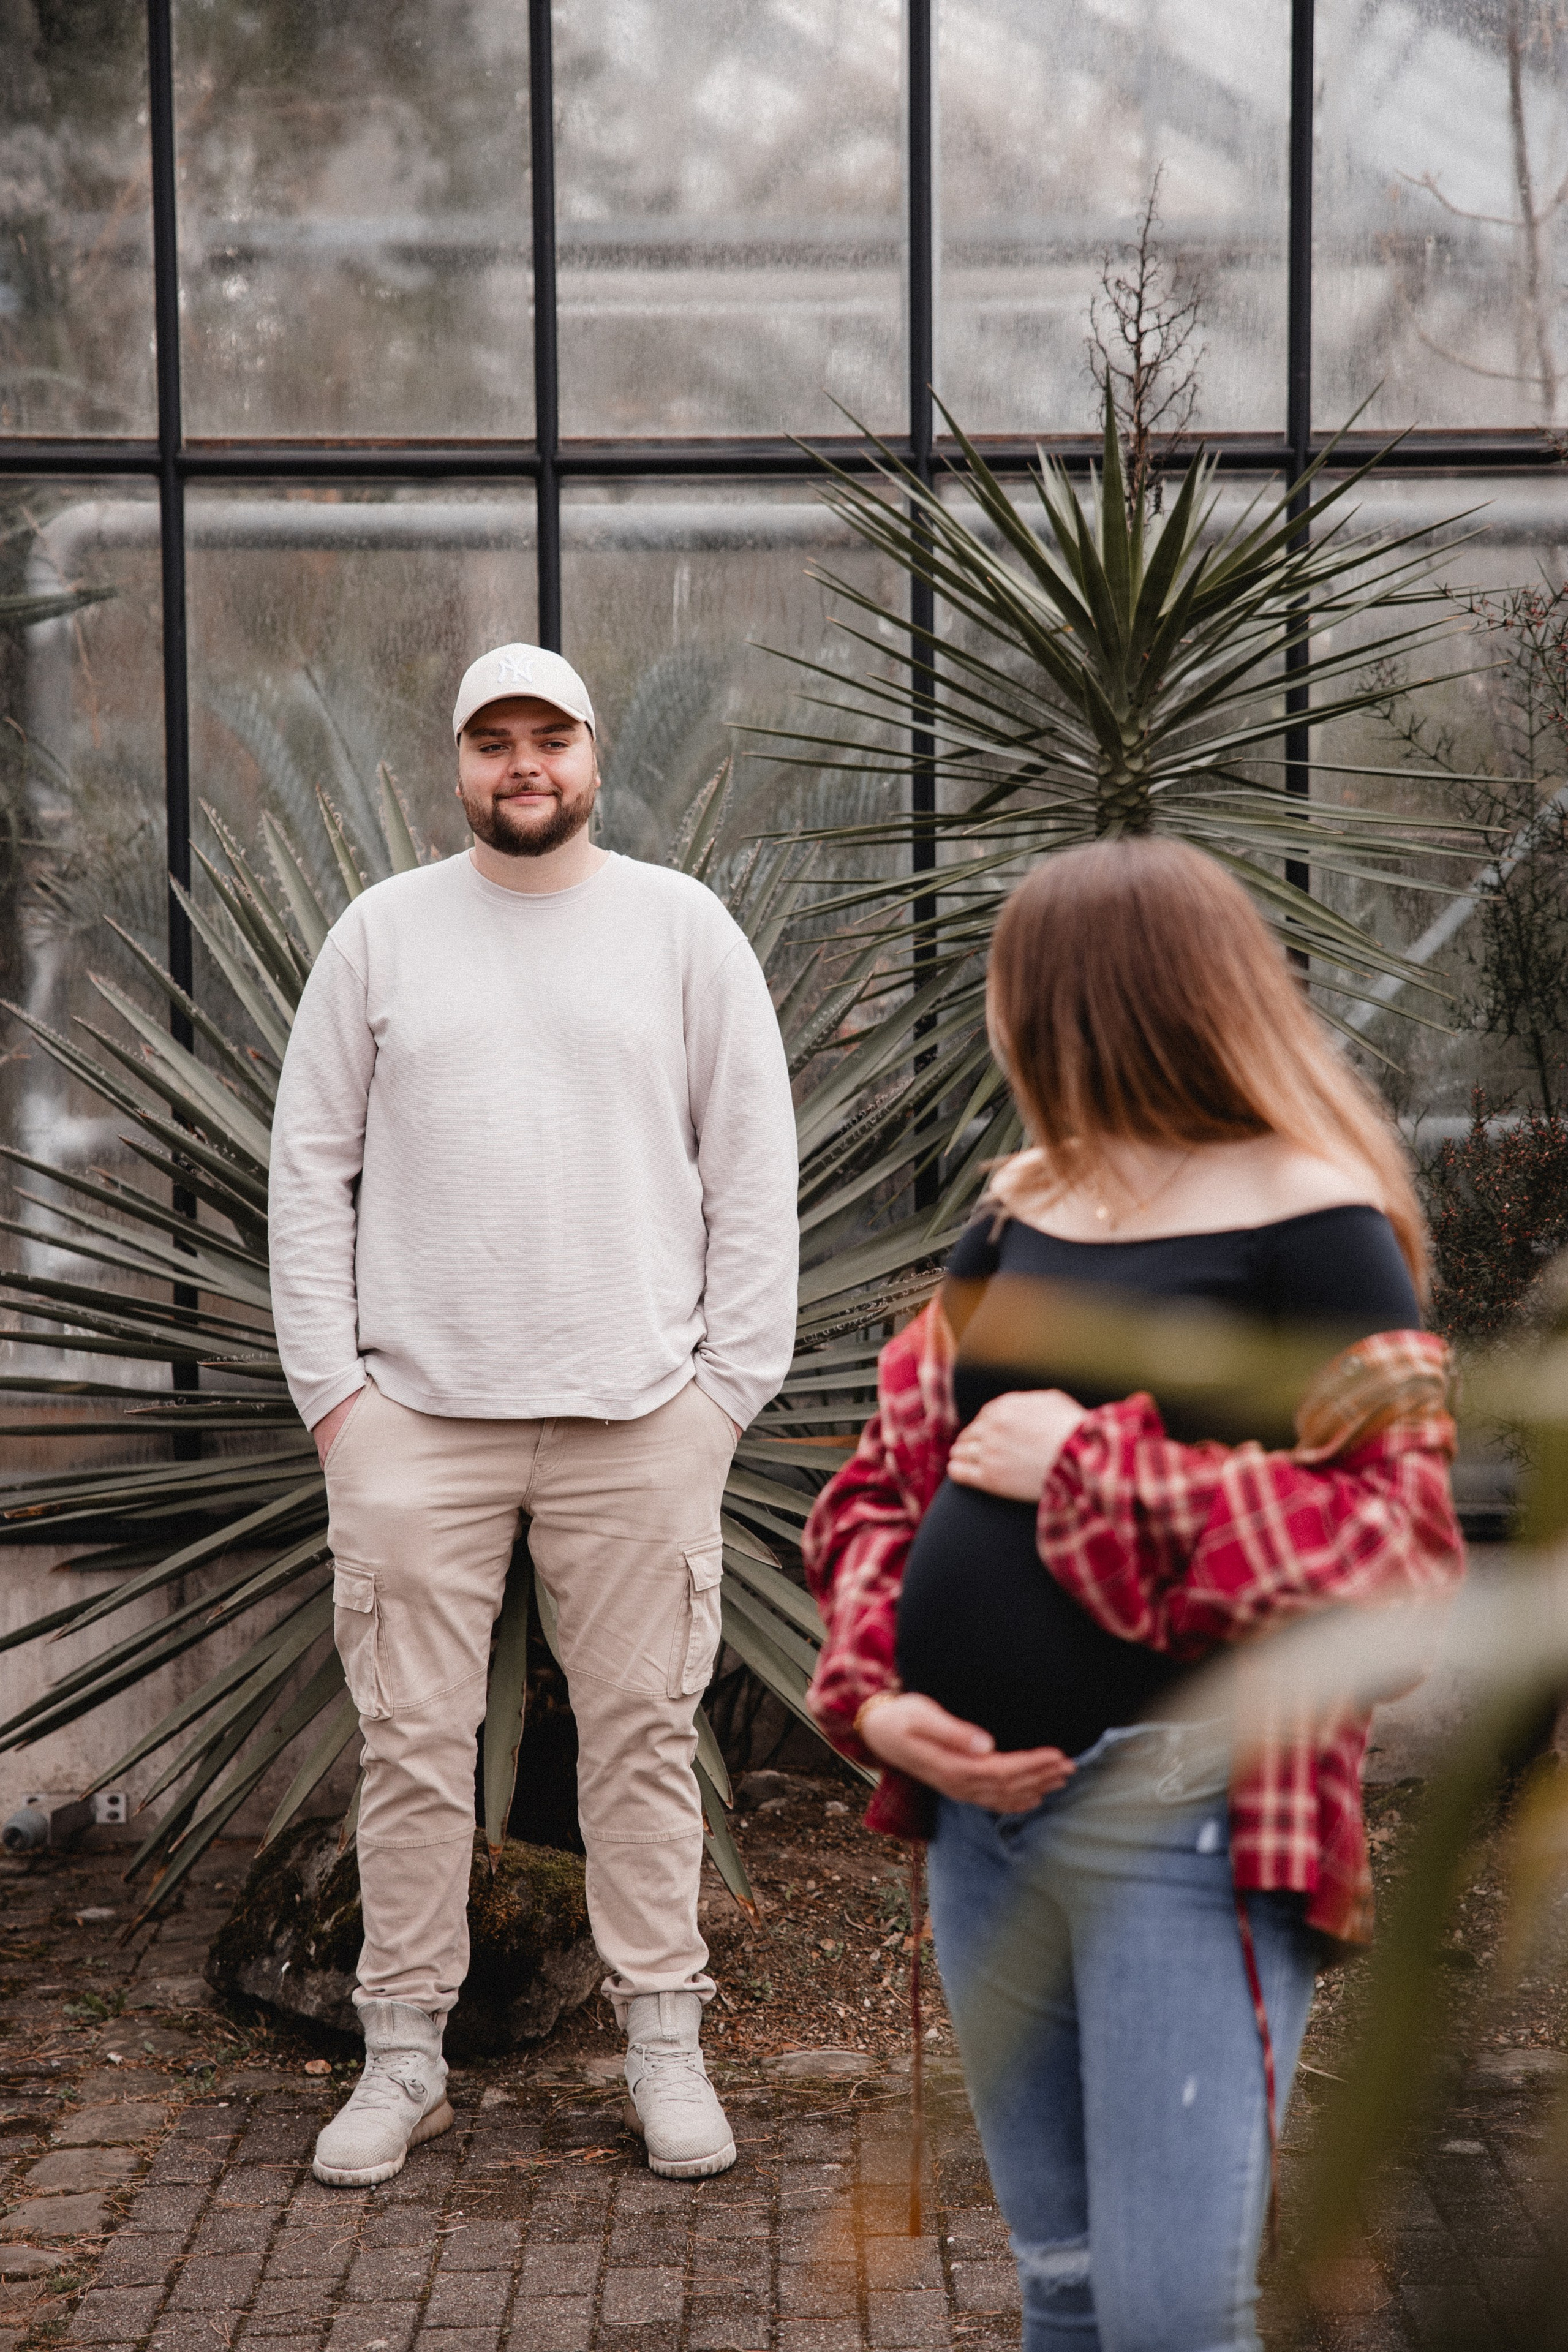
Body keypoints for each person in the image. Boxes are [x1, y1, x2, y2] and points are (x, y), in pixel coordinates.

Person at [801, 838, 1463, 2352]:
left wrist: (1090, 1469)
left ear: (1083, 1005)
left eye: (1010, 993)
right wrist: (878, 1700)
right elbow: (882, 1486)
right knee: (1064, 2286)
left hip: (1186, 1817)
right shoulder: (1017, 1212)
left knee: (1170, 2316)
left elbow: (1397, 1555)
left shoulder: (1315, 1222)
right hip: (982, 1832)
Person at [268, 642, 799, 2189]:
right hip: (412, 1420)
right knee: (411, 1747)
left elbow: (751, 1168)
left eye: (547, 739)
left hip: (639, 1415)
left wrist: (722, 1396)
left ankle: (663, 2044)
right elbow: (307, 1169)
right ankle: (401, 2056)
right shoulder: (381, 934)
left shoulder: (680, 930)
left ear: (591, 753)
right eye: (493, 740)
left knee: (642, 1741)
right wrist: (335, 1401)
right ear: (457, 763)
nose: (522, 766)